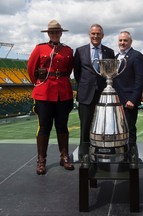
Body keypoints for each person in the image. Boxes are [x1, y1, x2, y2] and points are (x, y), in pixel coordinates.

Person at [27, 19, 75, 175]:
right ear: (48, 34)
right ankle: (41, 160)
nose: (54, 34)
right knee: (44, 127)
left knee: (62, 126)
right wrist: (39, 83)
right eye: (51, 32)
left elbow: (68, 71)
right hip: (44, 93)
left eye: (57, 32)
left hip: (63, 93)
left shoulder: (68, 50)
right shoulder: (39, 49)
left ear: (61, 33)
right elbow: (30, 69)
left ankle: (64, 157)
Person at [74, 24, 115, 161]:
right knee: (85, 126)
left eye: (98, 34)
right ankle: (84, 154)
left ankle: (102, 151)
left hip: (103, 95)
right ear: (89, 34)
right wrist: (86, 86)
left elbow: (111, 73)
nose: (95, 36)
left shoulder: (109, 51)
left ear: (102, 35)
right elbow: (77, 73)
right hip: (86, 95)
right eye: (93, 33)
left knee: (104, 126)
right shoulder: (80, 51)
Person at [113, 31, 143, 155]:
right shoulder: (116, 57)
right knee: (119, 128)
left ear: (131, 42)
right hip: (116, 101)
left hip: (129, 100)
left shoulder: (136, 56)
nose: (122, 43)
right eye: (120, 40)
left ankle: (131, 154)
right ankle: (121, 151)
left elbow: (139, 79)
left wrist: (133, 99)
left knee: (129, 128)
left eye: (125, 40)